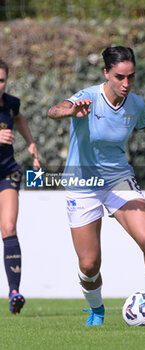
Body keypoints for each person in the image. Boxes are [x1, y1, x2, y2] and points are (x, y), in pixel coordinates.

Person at [48, 46, 145, 326]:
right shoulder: (87, 97)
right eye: (119, 77)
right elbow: (54, 110)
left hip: (117, 179)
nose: (126, 83)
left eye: (131, 77)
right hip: (82, 183)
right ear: (106, 74)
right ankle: (97, 309)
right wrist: (71, 111)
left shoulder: (135, 104)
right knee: (89, 265)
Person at [0, 59, 40, 314]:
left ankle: (14, 293)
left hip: (7, 173)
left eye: (2, 80)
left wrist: (31, 145)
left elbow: (20, 118)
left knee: (8, 227)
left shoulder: (11, 103)